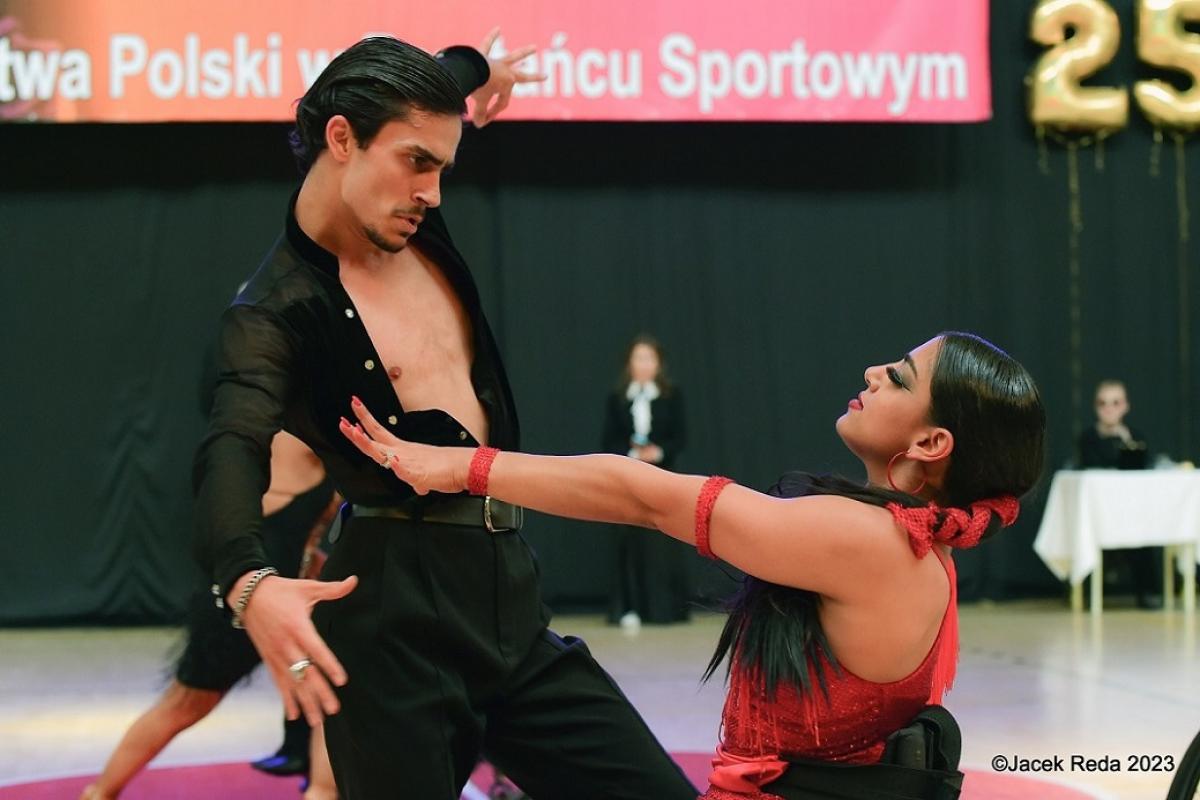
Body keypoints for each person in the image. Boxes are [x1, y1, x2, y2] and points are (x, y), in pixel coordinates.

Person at [192, 33, 697, 800]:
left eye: (442, 167)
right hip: (392, 617)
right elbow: (231, 445)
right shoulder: (272, 311)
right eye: (417, 162)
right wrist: (247, 581)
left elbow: (444, 77)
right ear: (340, 140)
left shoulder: (409, 217)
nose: (432, 191)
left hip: (506, 596)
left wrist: (477, 66)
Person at [341, 331, 1047, 800]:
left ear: (930, 442)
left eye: (897, 378)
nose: (873, 372)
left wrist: (461, 468)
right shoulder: (927, 549)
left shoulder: (877, 545)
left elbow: (641, 498)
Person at [81, 429, 339, 800]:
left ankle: (322, 792)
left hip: (272, 596)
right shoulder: (293, 438)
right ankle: (99, 793)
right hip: (241, 599)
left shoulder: (288, 436)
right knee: (185, 704)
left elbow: (308, 534)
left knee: (330, 698)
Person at [601, 335, 689, 627]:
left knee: (662, 541)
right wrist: (631, 454)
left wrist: (658, 452)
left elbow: (680, 437)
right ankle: (628, 608)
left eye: (649, 358)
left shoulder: (671, 396)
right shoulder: (617, 399)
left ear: (658, 364)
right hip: (628, 477)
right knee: (627, 539)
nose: (643, 364)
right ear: (629, 364)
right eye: (638, 358)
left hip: (663, 475)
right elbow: (608, 439)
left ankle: (664, 608)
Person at [1076, 379, 1161, 608]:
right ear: (1096, 407)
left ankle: (1148, 592)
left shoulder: (1135, 436)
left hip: (1133, 512)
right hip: (1100, 513)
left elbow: (1142, 469)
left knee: (1143, 537)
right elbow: (1091, 467)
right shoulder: (1088, 438)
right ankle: (1086, 594)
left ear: (1125, 406)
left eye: (1115, 403)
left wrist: (1126, 441)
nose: (1109, 409)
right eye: (1103, 403)